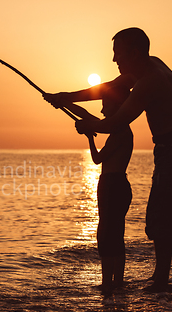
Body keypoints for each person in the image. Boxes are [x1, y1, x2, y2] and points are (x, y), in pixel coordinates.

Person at [43, 27, 172, 292]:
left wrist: (87, 126)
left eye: (118, 53)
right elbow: (107, 88)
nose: (114, 60)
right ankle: (160, 278)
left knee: (160, 215)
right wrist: (66, 98)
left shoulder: (149, 81)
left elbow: (117, 122)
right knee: (161, 213)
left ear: (134, 52)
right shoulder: (147, 67)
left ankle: (161, 281)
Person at [62, 86, 133, 295]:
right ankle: (113, 283)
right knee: (112, 234)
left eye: (105, 106)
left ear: (117, 106)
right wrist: (64, 103)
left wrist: (90, 137)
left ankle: (111, 283)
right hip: (113, 184)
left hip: (113, 185)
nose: (102, 111)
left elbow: (97, 159)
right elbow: (86, 115)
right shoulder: (118, 128)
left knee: (108, 235)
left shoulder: (120, 131)